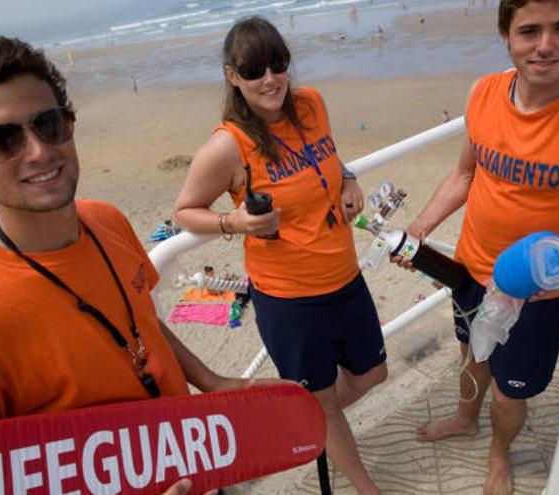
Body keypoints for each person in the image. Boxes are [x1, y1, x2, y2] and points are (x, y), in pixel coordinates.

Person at [0, 36, 268, 495]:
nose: (38, 151)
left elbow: (141, 320)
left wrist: (211, 381)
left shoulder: (107, 221)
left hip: (188, 468)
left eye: (48, 124)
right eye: (2, 140)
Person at [395, 1, 559, 494]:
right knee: (470, 353)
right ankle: (465, 416)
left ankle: (499, 455)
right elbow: (465, 173)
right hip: (469, 270)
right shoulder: (483, 92)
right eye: (529, 31)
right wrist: (419, 226)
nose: (545, 46)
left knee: (509, 392)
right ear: (506, 34)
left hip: (538, 294)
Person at [173, 17, 387, 495]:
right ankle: (365, 485)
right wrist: (236, 223)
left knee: (374, 372)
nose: (269, 79)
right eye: (253, 70)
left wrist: (348, 178)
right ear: (232, 75)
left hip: (344, 276)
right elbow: (185, 211)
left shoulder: (311, 104)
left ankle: (304, 421)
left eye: (277, 64)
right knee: (325, 402)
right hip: (289, 298)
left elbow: (326, 155)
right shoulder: (228, 146)